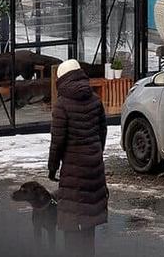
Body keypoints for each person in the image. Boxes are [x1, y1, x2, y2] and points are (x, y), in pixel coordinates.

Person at [48, 60, 108, 254]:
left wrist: (52, 167)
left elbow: (57, 141)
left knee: (71, 221)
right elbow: (102, 131)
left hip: (73, 168)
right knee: (89, 220)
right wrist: (96, 152)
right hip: (94, 166)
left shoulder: (62, 105)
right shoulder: (95, 99)